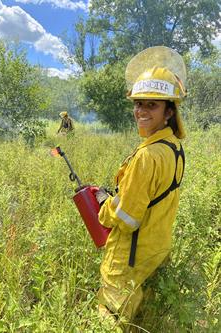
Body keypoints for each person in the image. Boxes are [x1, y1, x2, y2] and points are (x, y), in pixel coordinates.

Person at [95, 46, 187, 332]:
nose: (141, 111)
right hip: (155, 249)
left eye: (152, 105)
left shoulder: (147, 156)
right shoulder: (173, 147)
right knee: (141, 319)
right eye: (139, 103)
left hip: (130, 259)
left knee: (111, 317)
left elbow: (128, 218)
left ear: (169, 111)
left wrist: (104, 206)